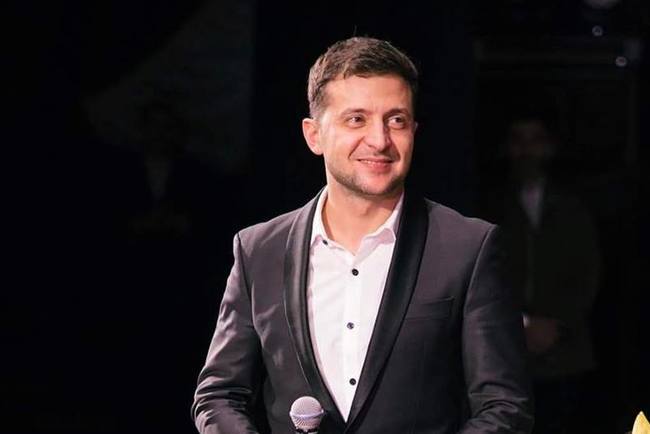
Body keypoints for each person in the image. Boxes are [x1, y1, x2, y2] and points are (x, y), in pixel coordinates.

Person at [192, 36, 533, 433]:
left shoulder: (467, 248)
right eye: (357, 119)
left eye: (396, 120)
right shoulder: (259, 250)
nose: (380, 140)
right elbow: (220, 395)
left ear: (414, 130)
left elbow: (504, 407)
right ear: (314, 135)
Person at [481, 111, 601, 433]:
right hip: (505, 355)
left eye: (535, 141)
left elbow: (588, 273)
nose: (526, 151)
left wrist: (555, 324)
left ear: (549, 146)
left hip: (566, 353)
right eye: (518, 141)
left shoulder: (574, 205)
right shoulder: (489, 204)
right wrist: (522, 323)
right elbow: (483, 276)